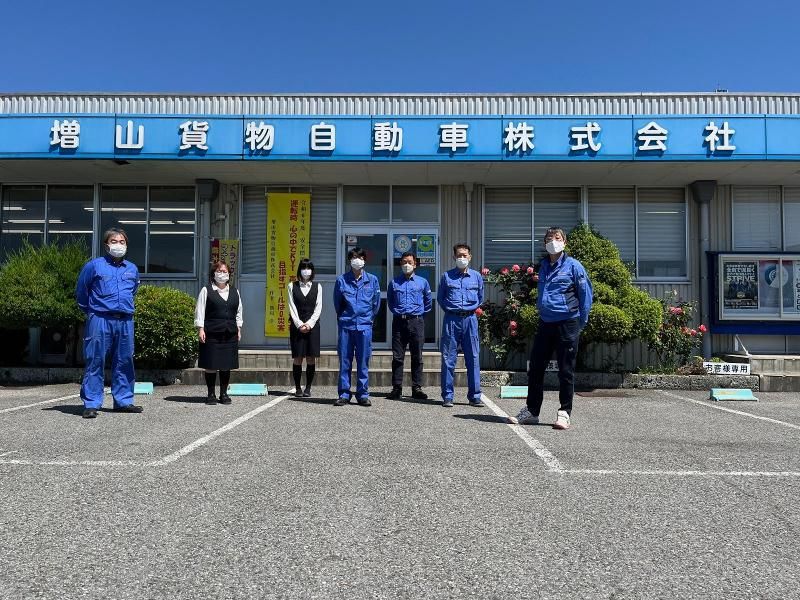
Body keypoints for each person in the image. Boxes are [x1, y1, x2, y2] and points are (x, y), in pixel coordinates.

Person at [513, 227, 593, 430]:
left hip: (568, 322)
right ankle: (532, 411)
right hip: (545, 323)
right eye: (549, 239)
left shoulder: (574, 266)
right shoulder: (543, 266)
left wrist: (580, 322)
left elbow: (585, 295)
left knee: (565, 370)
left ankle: (564, 412)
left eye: (557, 238)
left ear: (564, 243)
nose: (553, 242)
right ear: (544, 244)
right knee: (536, 368)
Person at [76, 228, 142, 419]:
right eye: (114, 241)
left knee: (125, 360)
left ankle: (123, 401)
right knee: (95, 360)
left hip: (125, 319)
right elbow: (82, 292)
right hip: (100, 318)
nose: (118, 245)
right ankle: (91, 403)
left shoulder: (132, 268)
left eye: (122, 242)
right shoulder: (94, 266)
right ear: (106, 245)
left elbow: (133, 291)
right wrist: (92, 312)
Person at [438, 243, 484, 408]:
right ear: (454, 257)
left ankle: (475, 396)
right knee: (448, 359)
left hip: (470, 320)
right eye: (459, 255)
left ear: (470, 257)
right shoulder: (447, 276)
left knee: (473, 358)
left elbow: (480, 297)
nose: (462, 258)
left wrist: (468, 310)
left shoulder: (476, 277)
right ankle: (448, 396)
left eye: (465, 255)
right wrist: (453, 310)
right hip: (452, 320)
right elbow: (441, 298)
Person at [333, 247, 380, 407]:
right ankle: (344, 394)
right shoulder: (341, 280)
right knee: (344, 361)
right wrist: (345, 318)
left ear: (364, 260)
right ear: (349, 260)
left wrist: (368, 319)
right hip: (346, 326)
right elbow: (337, 304)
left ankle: (363, 394)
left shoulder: (372, 280)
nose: (357, 260)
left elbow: (375, 304)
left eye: (360, 257)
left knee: (363, 361)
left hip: (365, 326)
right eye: (354, 257)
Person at [195, 260, 243, 405]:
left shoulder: (235, 291)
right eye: (219, 271)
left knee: (226, 365)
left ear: (229, 274)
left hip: (230, 333)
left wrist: (239, 328)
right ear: (213, 273)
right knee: (210, 364)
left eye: (225, 271)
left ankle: (224, 394)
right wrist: (200, 329)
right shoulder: (206, 290)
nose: (222, 274)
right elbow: (200, 310)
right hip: (211, 332)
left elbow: (239, 311)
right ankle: (211, 394)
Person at [386, 251, 432, 400]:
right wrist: (399, 313)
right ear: (400, 264)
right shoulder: (394, 282)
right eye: (404, 262)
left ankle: (416, 388)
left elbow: (428, 302)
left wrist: (417, 314)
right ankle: (396, 388)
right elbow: (391, 302)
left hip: (416, 322)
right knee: (397, 357)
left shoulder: (423, 282)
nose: (407, 265)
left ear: (415, 264)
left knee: (417, 356)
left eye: (410, 262)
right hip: (399, 322)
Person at [287, 258, 322, 397]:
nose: (306, 271)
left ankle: (308, 388)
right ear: (299, 270)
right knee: (298, 357)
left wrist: (310, 324)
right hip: (297, 327)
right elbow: (291, 307)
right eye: (303, 268)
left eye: (309, 268)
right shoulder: (291, 286)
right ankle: (297, 388)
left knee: (311, 358)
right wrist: (299, 324)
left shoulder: (318, 286)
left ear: (312, 271)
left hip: (313, 327)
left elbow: (318, 308)